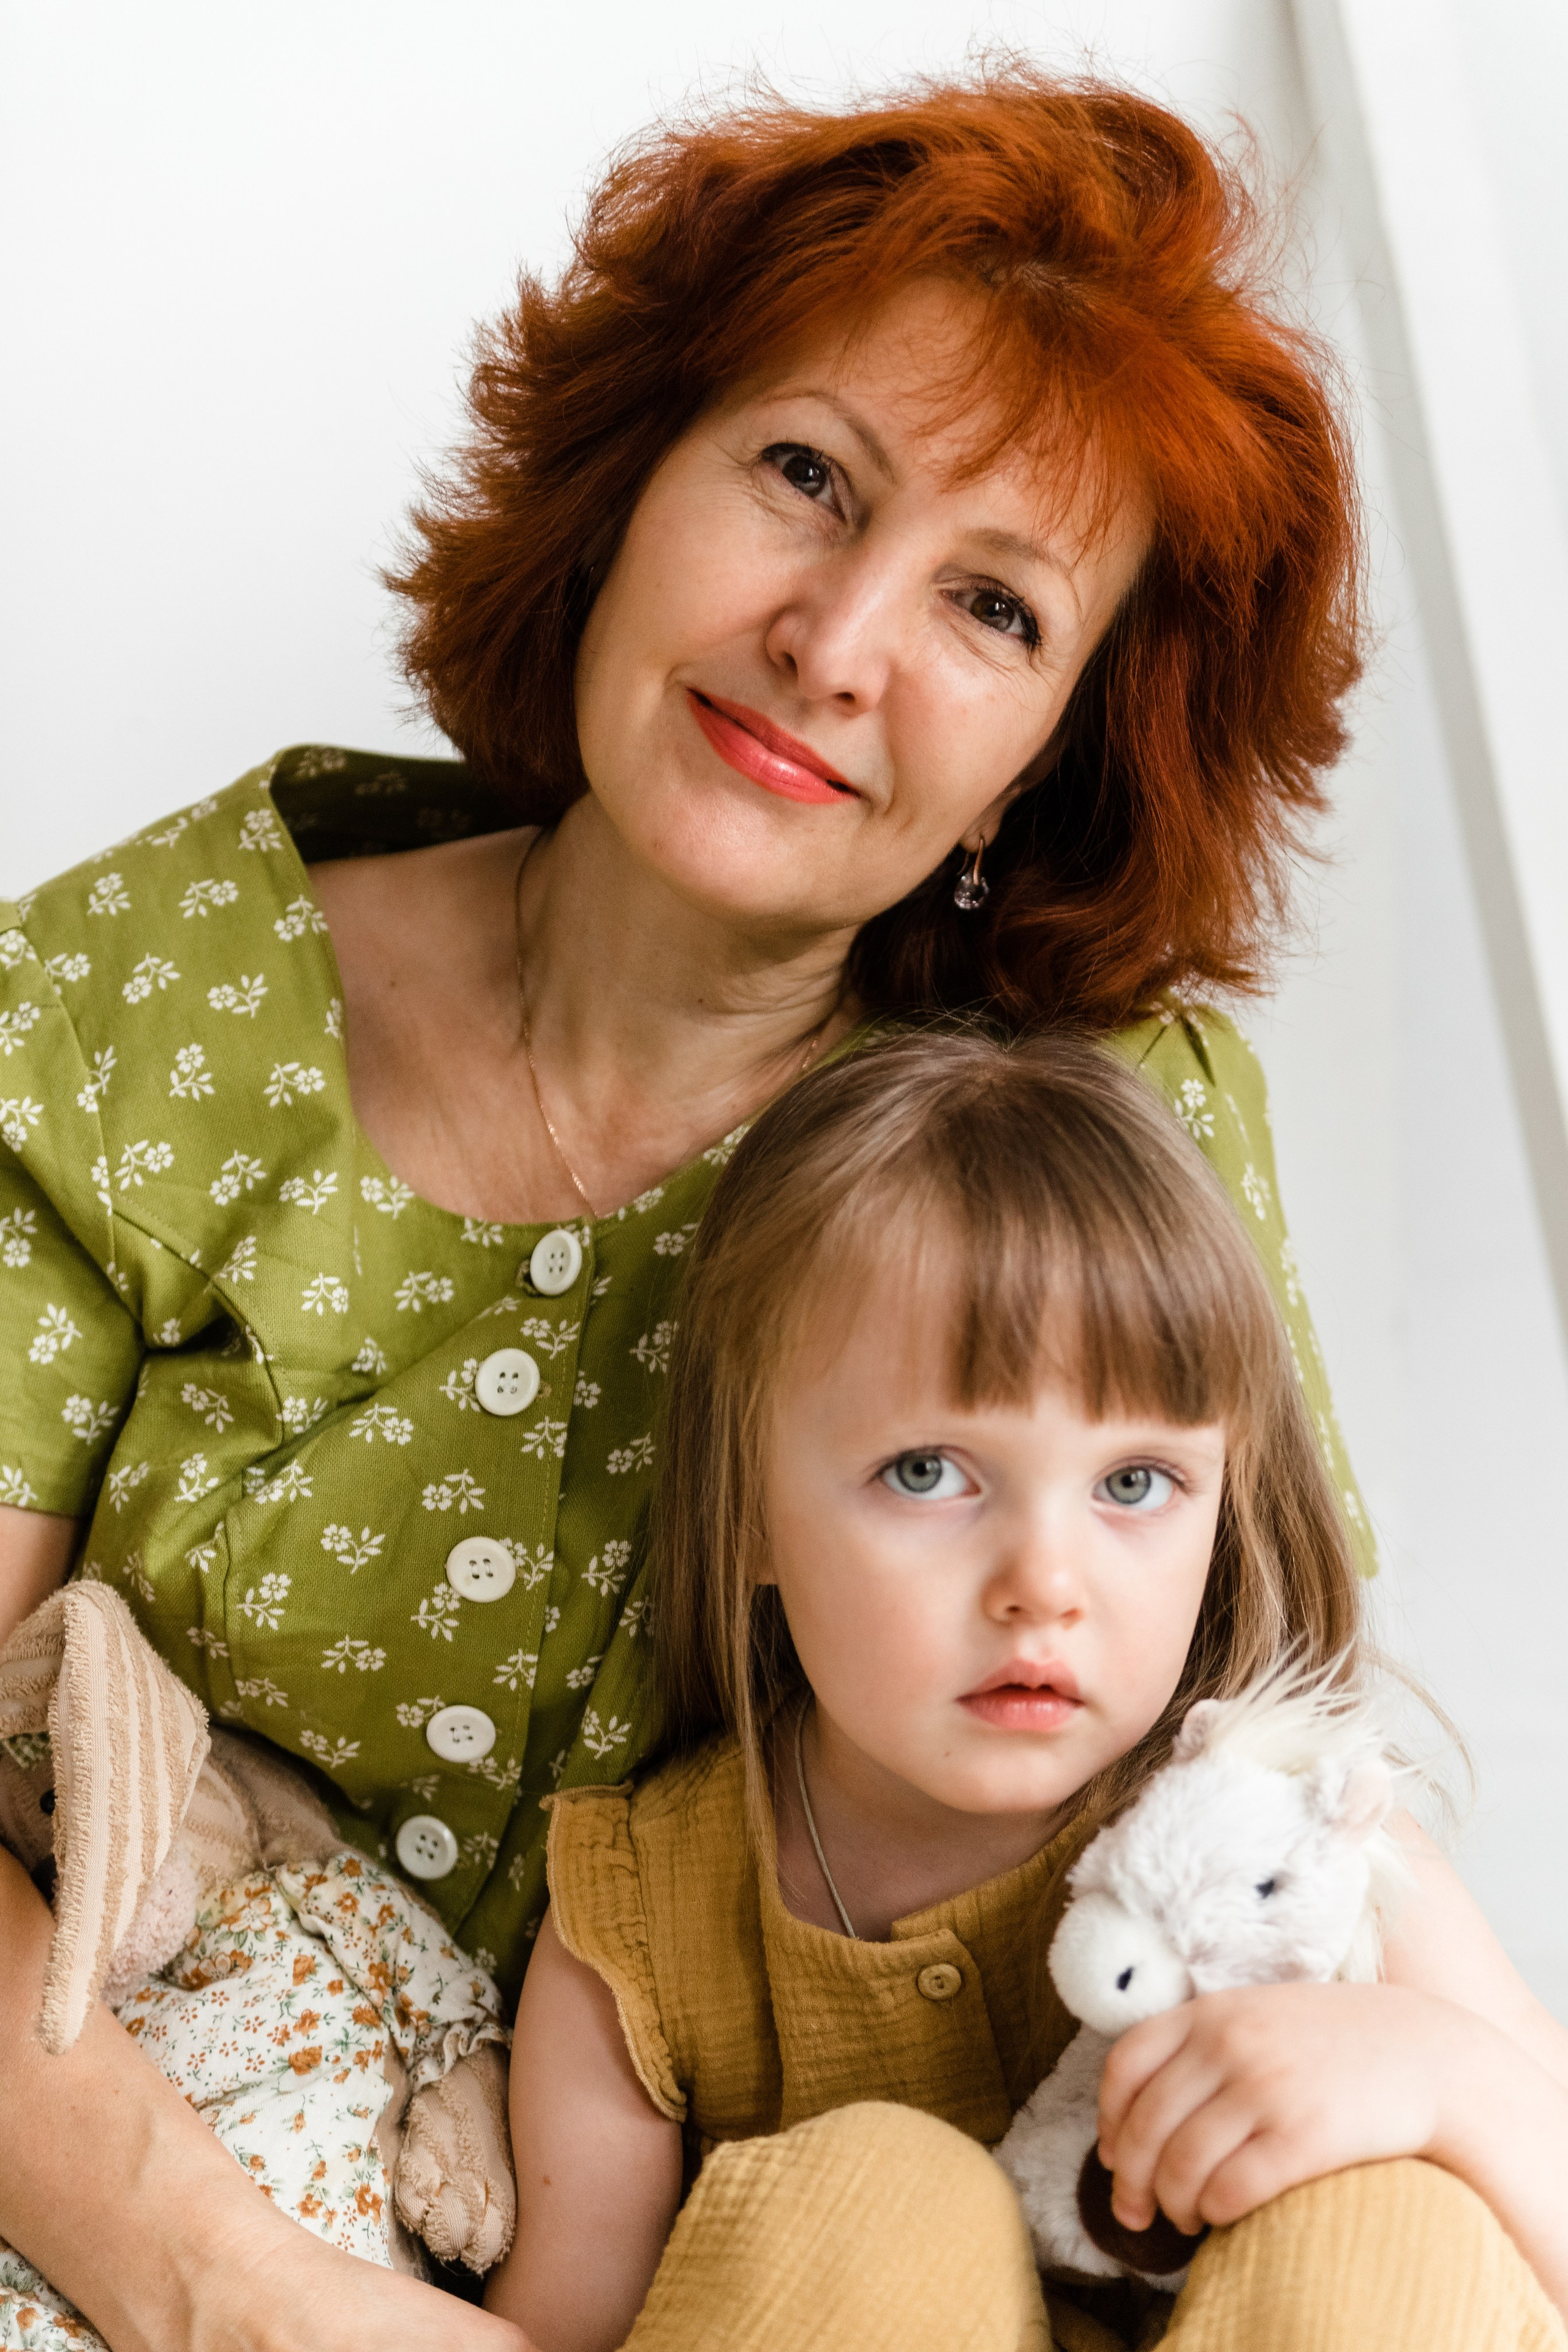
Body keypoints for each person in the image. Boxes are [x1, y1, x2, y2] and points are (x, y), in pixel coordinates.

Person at [0, 64, 1373, 2352]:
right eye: (806, 475)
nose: (837, 640)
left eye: (994, 611)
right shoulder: (135, 1012)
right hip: (184, 2197)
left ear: (1060, 753)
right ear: (638, 472)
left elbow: (1287, 1819)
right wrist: (226, 2286)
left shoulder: (1105, 1135)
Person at [488, 1031, 1568, 2352]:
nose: (1042, 1585)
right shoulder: (643, 1930)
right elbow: (556, 2333)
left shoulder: (1294, 1853)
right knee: (867, 2194)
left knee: (1386, 2217)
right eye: (928, 1472)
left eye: (1131, 1486)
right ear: (751, 1510)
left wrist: (1443, 2083)